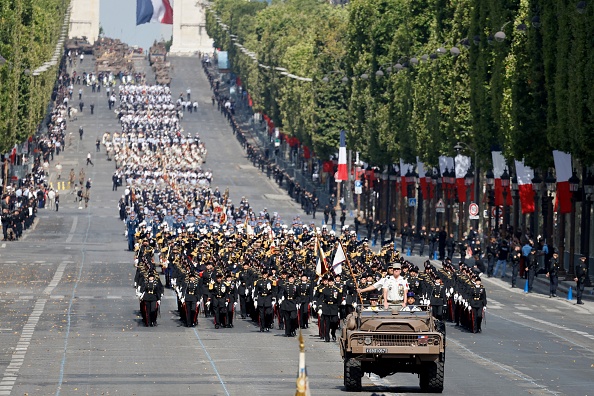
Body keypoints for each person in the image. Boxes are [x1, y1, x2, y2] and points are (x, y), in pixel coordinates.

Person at [279, 273, 298, 337]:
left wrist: (298, 302)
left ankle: (293, 329)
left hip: (293, 302)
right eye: (290, 278)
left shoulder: (296, 286)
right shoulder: (284, 286)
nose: (291, 279)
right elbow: (281, 293)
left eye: (292, 278)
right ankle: (287, 332)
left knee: (293, 317)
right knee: (287, 319)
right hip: (286, 303)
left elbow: (298, 296)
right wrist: (280, 298)